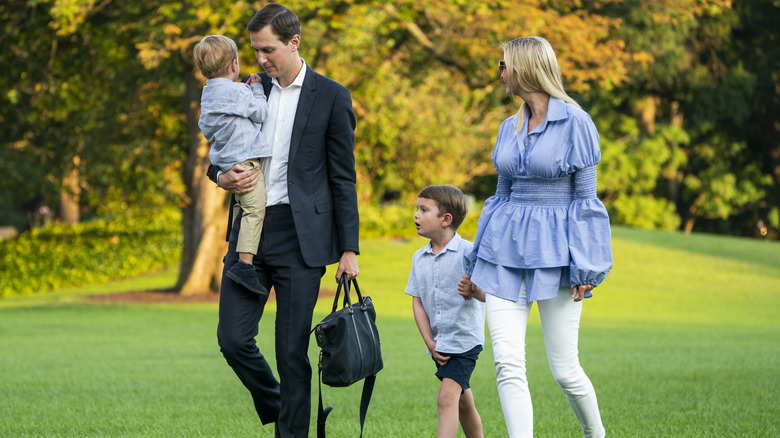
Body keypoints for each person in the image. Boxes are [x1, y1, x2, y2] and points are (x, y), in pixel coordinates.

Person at [205, 4, 360, 437]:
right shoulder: (247, 89)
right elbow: (216, 149)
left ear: (294, 42)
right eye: (255, 50)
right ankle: (280, 404)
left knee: (292, 352)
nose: (261, 60)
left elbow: (343, 178)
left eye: (268, 49)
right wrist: (222, 175)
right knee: (232, 340)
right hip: (248, 236)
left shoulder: (331, 96)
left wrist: (349, 249)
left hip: (302, 240)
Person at [461, 36, 612, 438]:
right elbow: (500, 197)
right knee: (507, 364)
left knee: (564, 369)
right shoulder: (507, 127)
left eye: (504, 64)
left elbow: (586, 201)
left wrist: (587, 266)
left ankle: (595, 434)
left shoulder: (577, 123)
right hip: (504, 256)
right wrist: (478, 261)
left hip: (557, 258)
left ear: (525, 68)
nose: (500, 72)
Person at [405, 185, 486, 438]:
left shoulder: (469, 252)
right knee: (462, 400)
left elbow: (490, 294)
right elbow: (417, 300)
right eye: (417, 209)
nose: (416, 214)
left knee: (446, 399)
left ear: (446, 219)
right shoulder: (419, 258)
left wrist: (474, 290)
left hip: (464, 341)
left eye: (424, 210)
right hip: (440, 342)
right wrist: (429, 341)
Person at [194, 34, 270, 296]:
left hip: (227, 161)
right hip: (246, 161)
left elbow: (206, 129)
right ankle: (245, 266)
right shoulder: (238, 91)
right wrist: (257, 89)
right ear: (234, 65)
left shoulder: (207, 94)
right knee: (255, 209)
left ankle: (236, 254)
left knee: (241, 207)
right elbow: (261, 112)